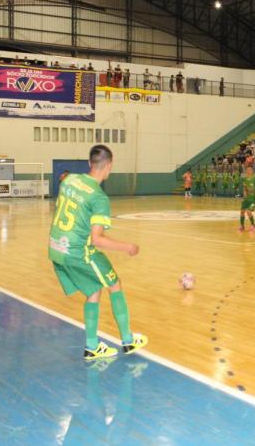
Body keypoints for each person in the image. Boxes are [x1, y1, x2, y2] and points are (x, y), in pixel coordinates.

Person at [49, 145, 148, 360]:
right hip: (78, 251)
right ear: (109, 166)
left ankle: (93, 346)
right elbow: (97, 239)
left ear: (89, 163)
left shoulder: (70, 180)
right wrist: (128, 247)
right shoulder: (99, 198)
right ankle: (128, 341)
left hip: (57, 246)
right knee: (114, 283)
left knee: (94, 288)